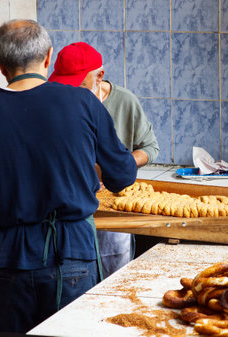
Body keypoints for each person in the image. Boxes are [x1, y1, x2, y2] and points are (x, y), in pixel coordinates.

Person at [0, 20, 137, 333]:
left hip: (7, 257)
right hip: (73, 255)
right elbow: (122, 175)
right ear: (49, 57)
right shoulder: (83, 103)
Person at [49, 42, 160, 278]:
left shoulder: (124, 102)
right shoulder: (58, 103)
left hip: (112, 205)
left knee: (113, 276)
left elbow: (150, 147)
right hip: (75, 206)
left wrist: (119, 164)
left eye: (79, 85)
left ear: (99, 76)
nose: (72, 92)